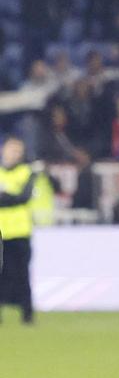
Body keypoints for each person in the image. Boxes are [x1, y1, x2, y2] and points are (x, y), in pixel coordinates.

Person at [0, 136, 47, 324]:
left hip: (20, 231)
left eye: (16, 151)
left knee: (22, 274)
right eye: (10, 150)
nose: (12, 154)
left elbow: (23, 197)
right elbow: (15, 197)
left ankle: (27, 315)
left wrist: (4, 197)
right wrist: (10, 197)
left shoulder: (27, 173)